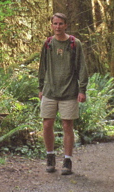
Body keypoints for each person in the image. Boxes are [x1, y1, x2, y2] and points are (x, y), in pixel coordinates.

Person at [38, 13, 88, 175]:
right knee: (47, 125)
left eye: (60, 24)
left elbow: (81, 67)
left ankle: (67, 160)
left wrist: (82, 90)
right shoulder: (47, 44)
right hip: (50, 91)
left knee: (67, 125)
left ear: (66, 25)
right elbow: (42, 67)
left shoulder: (75, 43)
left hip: (69, 92)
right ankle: (50, 156)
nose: (58, 27)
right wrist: (40, 88)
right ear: (51, 25)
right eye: (55, 24)